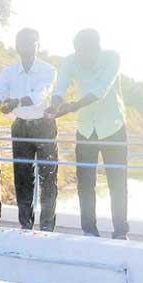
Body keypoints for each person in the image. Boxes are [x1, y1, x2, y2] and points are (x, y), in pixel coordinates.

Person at [47, 28, 129, 239]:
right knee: (85, 184)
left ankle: (120, 232)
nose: (83, 57)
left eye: (87, 52)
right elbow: (60, 88)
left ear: (98, 48)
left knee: (117, 183)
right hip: (85, 129)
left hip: (113, 127)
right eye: (79, 52)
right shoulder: (70, 61)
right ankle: (89, 230)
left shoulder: (112, 58)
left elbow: (101, 90)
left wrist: (72, 107)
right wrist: (54, 106)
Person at [0, 28, 57, 231]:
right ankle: (25, 224)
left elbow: (40, 95)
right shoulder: (9, 71)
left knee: (48, 177)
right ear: (17, 45)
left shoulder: (48, 70)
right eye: (22, 42)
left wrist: (15, 101)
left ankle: (46, 227)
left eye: (31, 42)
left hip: (44, 126)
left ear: (38, 45)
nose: (26, 45)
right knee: (22, 177)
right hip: (20, 127)